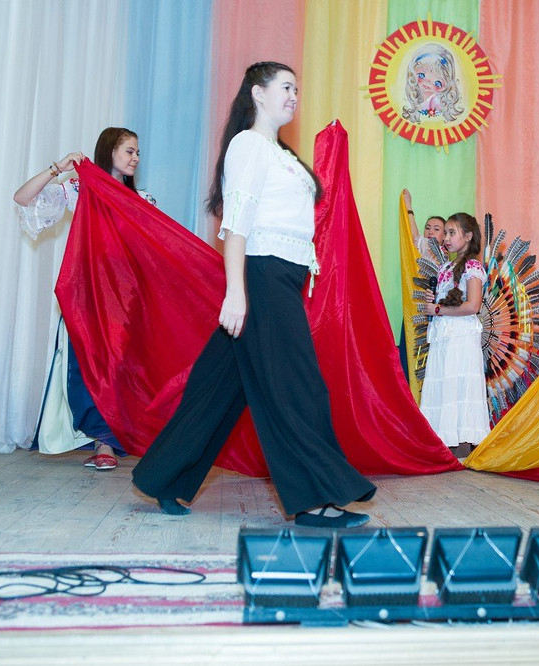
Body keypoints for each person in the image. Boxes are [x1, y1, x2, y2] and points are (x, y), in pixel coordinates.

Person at [131, 62, 375, 527]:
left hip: (280, 278)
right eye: (285, 87)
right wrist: (236, 293)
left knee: (218, 389)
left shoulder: (280, 154)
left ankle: (164, 477)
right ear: (258, 94)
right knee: (297, 387)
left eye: (297, 88)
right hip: (261, 278)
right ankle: (314, 501)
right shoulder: (248, 145)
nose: (294, 95)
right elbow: (237, 224)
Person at [14, 127, 156, 471]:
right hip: (86, 294)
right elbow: (23, 198)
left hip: (125, 298)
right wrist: (58, 168)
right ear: (110, 151)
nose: (136, 158)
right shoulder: (80, 189)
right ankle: (101, 441)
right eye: (130, 151)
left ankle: (108, 443)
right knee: (85, 367)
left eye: (137, 152)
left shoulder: (143, 200)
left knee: (118, 369)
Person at [419, 212, 490, 458]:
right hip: (444, 335)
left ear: (468, 236)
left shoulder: (473, 267)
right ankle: (441, 442)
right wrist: (434, 301)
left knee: (458, 386)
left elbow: (473, 306)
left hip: (461, 337)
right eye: (446, 233)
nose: (446, 238)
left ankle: (462, 443)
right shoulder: (445, 267)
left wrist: (438, 309)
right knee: (443, 384)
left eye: (452, 233)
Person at [402, 188, 445, 256]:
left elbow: (414, 238)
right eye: (427, 228)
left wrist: (408, 205)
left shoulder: (441, 254)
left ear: (445, 236)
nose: (430, 232)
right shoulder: (425, 248)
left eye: (436, 229)